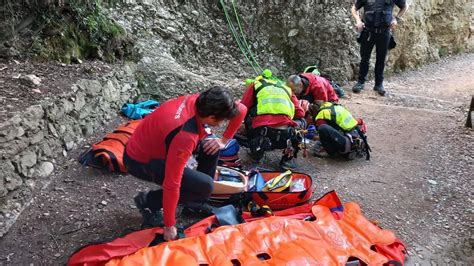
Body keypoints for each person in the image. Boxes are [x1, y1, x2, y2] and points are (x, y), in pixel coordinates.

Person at [124, 86, 246, 241]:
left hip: (157, 146)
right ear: (211, 117)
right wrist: (169, 225)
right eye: (222, 121)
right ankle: (148, 202)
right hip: (140, 161)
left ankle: (194, 203)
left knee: (212, 147)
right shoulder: (185, 136)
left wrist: (223, 140)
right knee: (205, 186)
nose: (222, 124)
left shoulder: (199, 100)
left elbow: (241, 109)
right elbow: (172, 183)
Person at [240, 71, 306, 170]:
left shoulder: (256, 84)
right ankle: (287, 160)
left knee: (248, 116)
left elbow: (243, 107)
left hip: (261, 132)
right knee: (302, 121)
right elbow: (300, 113)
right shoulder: (287, 89)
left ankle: (257, 154)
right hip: (285, 135)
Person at [351, 0, 409, 96]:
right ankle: (360, 82)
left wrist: (396, 19)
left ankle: (379, 84)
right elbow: (354, 7)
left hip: (384, 32)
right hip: (368, 31)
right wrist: (358, 20)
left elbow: (405, 6)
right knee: (364, 58)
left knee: (381, 59)